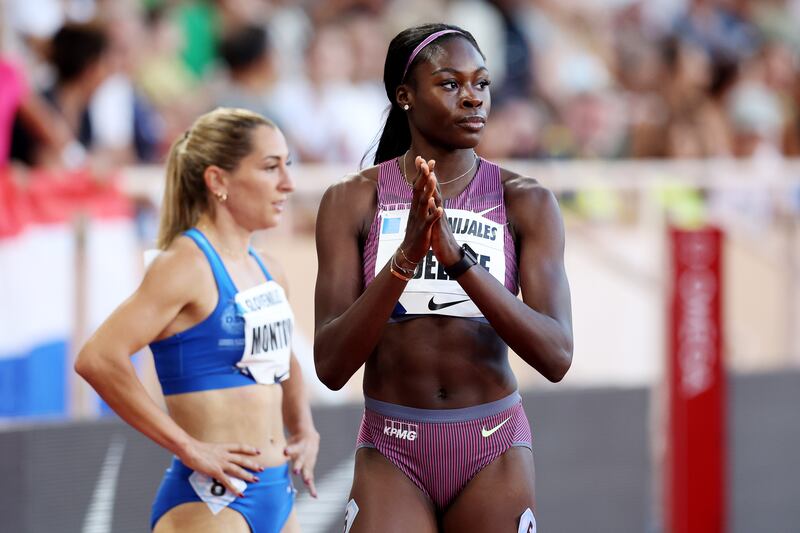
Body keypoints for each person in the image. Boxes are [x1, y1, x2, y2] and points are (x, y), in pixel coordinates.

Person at [313, 23, 573, 532]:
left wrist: (458, 260)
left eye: (482, 83)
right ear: (404, 96)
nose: (473, 98)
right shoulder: (351, 201)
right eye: (451, 84)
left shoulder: (526, 200)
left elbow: (556, 355)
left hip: (491, 443)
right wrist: (406, 258)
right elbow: (331, 364)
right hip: (392, 446)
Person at [75, 107, 319, 533]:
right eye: (270, 167)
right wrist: (188, 447)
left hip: (277, 494)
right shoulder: (185, 264)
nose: (288, 183)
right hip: (210, 502)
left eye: (288, 165)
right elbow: (97, 358)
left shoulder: (268, 268)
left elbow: (285, 359)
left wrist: (304, 427)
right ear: (218, 180)